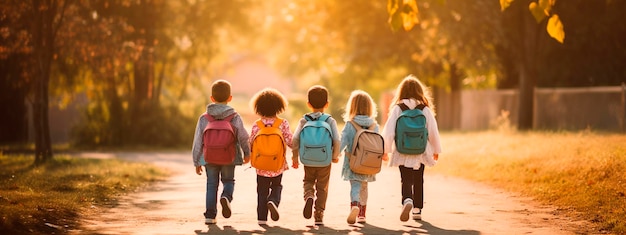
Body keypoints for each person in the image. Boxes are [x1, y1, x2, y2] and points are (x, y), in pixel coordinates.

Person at [381, 75, 442, 222]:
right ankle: (417, 209)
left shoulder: (398, 108)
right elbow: (433, 129)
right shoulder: (424, 108)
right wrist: (436, 149)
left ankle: (407, 199)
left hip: (402, 150)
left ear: (401, 91)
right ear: (419, 91)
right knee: (419, 178)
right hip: (421, 150)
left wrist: (385, 150)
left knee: (405, 178)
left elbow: (389, 131)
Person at [191, 80, 251, 225]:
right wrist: (247, 153)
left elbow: (198, 140)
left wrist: (196, 161)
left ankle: (210, 216)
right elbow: (243, 136)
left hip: (209, 157)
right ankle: (226, 197)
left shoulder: (204, 118)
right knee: (228, 181)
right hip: (229, 156)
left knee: (211, 184)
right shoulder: (234, 117)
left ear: (212, 98)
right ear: (230, 98)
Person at [291, 85, 341, 226]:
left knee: (308, 181)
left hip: (308, 158)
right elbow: (337, 139)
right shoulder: (330, 121)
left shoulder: (304, 120)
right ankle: (319, 213)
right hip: (325, 160)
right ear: (327, 104)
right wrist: (335, 156)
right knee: (322, 186)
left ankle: (309, 196)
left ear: (308, 104)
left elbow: (295, 139)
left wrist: (295, 157)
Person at [339, 90, 387, 224]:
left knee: (355, 186)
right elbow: (378, 143)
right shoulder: (374, 125)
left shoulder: (350, 125)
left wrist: (335, 154)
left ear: (352, 106)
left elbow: (343, 141)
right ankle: (362, 214)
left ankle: (354, 205)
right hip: (369, 164)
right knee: (364, 187)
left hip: (353, 163)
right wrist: (383, 155)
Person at [248, 88, 294, 225]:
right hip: (277, 164)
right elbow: (290, 141)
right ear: (279, 106)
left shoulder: (257, 125)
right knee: (277, 186)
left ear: (258, 107)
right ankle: (273, 201)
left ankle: (262, 218)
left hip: (261, 165)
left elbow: (251, 143)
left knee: (261, 191)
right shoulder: (283, 124)